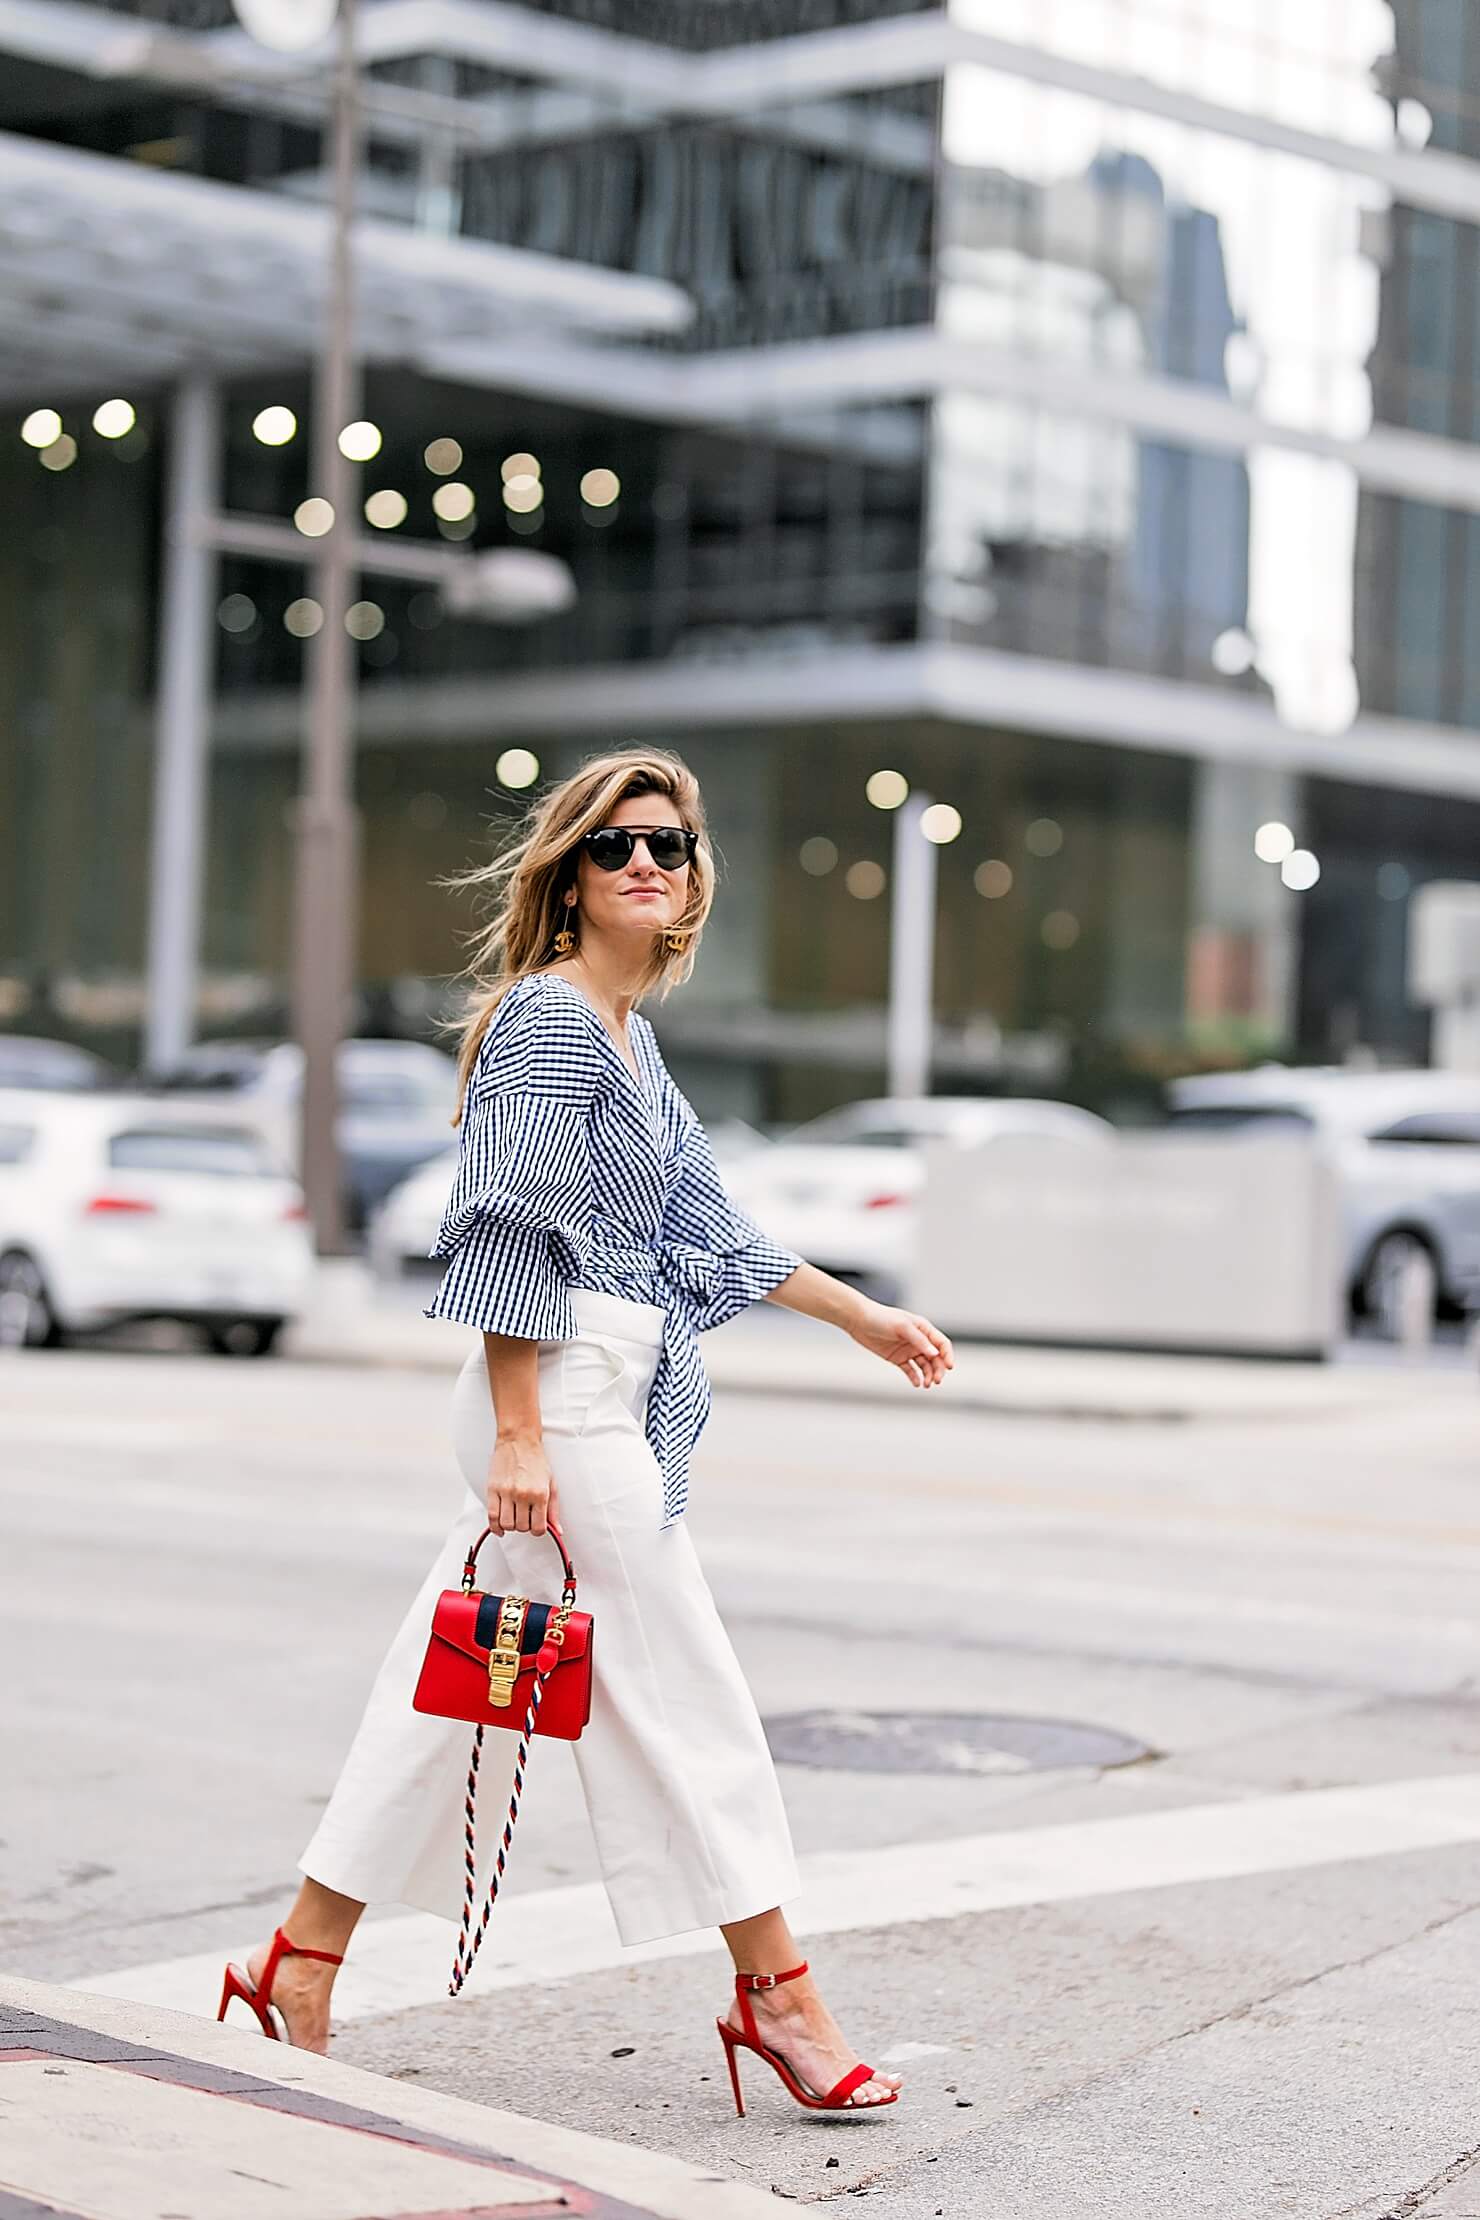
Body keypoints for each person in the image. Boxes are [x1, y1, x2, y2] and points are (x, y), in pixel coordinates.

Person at [219, 747, 954, 2115]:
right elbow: (513, 1226)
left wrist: (862, 1316)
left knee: (444, 1692)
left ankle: (295, 1964)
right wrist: (517, 1432)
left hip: (594, 1391)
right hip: (554, 1394)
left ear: (691, 887)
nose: (642, 865)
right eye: (614, 846)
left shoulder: (629, 1035)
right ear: (569, 878)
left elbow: (705, 1227)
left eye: (667, 847)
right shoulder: (552, 1022)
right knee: (688, 1693)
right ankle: (779, 1998)